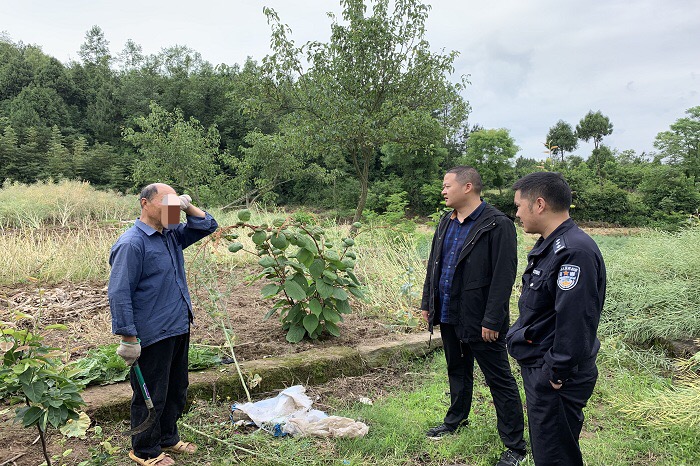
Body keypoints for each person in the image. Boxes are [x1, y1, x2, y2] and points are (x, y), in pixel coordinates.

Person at [421, 166, 527, 466]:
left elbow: (503, 275)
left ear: (468, 187)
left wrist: (493, 319)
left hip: (481, 318)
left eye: (447, 185)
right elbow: (435, 265)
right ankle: (456, 420)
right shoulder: (446, 221)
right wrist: (428, 302)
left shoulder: (497, 224)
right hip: (449, 311)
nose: (443, 190)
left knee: (499, 378)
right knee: (457, 368)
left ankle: (515, 445)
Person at [108, 183, 218, 466]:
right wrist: (128, 338)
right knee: (150, 395)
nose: (172, 208)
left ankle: (168, 437)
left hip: (178, 325)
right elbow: (119, 293)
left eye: (175, 202)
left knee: (176, 388)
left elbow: (207, 225)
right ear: (145, 203)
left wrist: (185, 205)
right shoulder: (132, 243)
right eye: (165, 202)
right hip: (152, 333)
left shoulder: (171, 235)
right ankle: (144, 450)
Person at [506, 172, 606, 466]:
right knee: (550, 449)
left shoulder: (573, 251)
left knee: (556, 457)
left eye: (518, 206)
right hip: (543, 365)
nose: (516, 214)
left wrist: (555, 373)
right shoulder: (552, 244)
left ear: (539, 204)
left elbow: (576, 321)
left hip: (557, 376)